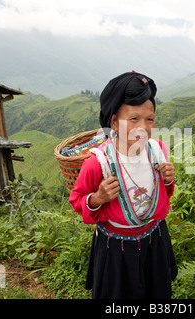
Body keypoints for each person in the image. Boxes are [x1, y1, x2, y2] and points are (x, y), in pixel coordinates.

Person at [69, 71, 178, 299]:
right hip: (115, 250)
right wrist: (98, 198)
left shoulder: (157, 150)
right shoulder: (98, 162)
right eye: (134, 119)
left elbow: (161, 193)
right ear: (114, 122)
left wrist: (168, 179)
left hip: (154, 240)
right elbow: (78, 200)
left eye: (149, 119)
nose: (143, 127)